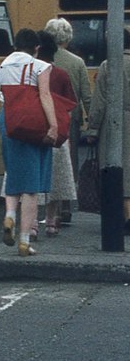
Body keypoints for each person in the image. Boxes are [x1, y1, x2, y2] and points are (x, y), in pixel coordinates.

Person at [0, 28, 58, 256]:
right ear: (37, 48)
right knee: (31, 187)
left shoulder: (3, 66)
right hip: (32, 122)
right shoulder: (40, 66)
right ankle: (24, 241)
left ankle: (9, 217)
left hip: (8, 120)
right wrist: (53, 125)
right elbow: (44, 96)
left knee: (13, 173)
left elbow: (3, 97)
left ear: (15, 45)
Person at [44, 17, 92, 224]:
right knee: (68, 160)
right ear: (68, 37)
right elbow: (86, 96)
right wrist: (93, 123)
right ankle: (65, 206)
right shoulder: (77, 62)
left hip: (45, 116)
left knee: (47, 160)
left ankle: (48, 208)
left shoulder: (42, 60)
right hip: (69, 117)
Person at [85, 25, 130, 235]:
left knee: (116, 170)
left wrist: (92, 130)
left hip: (115, 123)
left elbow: (100, 101)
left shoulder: (108, 65)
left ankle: (123, 215)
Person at [37, 31, 76, 236]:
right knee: (57, 177)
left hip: (33, 131)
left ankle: (33, 223)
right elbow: (70, 104)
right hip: (57, 131)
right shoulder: (61, 74)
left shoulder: (29, 73)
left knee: (33, 175)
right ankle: (51, 221)